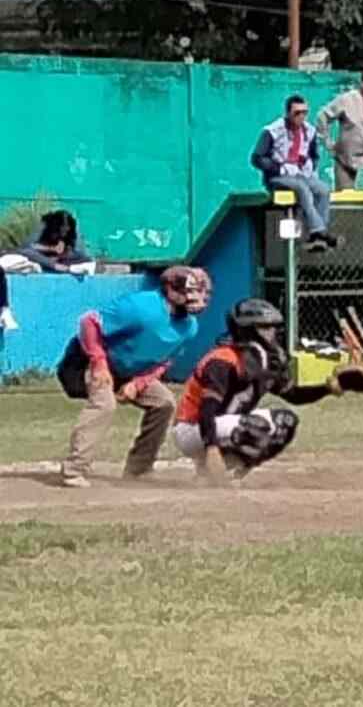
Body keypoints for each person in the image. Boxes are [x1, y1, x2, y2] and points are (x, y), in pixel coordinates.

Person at [56, 266, 212, 487]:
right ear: (170, 290)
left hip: (130, 371)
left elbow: (164, 361)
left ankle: (138, 470)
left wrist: (138, 384)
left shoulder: (189, 327)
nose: (197, 298)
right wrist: (99, 362)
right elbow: (89, 322)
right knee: (104, 404)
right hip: (88, 360)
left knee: (164, 403)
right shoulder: (142, 306)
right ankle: (74, 469)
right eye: (191, 291)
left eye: (201, 292)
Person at [173, 298, 343, 483]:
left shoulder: (264, 361)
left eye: (273, 328)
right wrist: (212, 447)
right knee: (255, 427)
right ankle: (210, 467)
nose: (272, 334)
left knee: (285, 422)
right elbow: (207, 409)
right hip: (191, 428)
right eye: (265, 328)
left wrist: (328, 388)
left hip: (222, 423)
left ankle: (225, 474)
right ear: (248, 330)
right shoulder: (223, 360)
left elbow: (293, 395)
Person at [252, 95, 337, 252]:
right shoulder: (273, 131)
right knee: (301, 188)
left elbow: (313, 155)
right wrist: (279, 167)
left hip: (300, 173)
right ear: (288, 113)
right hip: (278, 176)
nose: (301, 117)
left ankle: (318, 235)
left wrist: (309, 167)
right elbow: (257, 158)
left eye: (305, 112)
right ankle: (319, 230)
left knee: (323, 189)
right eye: (297, 113)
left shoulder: (309, 131)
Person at [18, 210, 94, 273]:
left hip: (62, 260)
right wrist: (52, 248)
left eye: (68, 227)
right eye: (63, 226)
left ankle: (60, 266)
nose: (66, 229)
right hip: (43, 258)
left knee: (85, 259)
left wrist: (63, 254)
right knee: (27, 252)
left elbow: (77, 251)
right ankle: (56, 266)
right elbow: (29, 246)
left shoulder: (71, 232)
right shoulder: (44, 227)